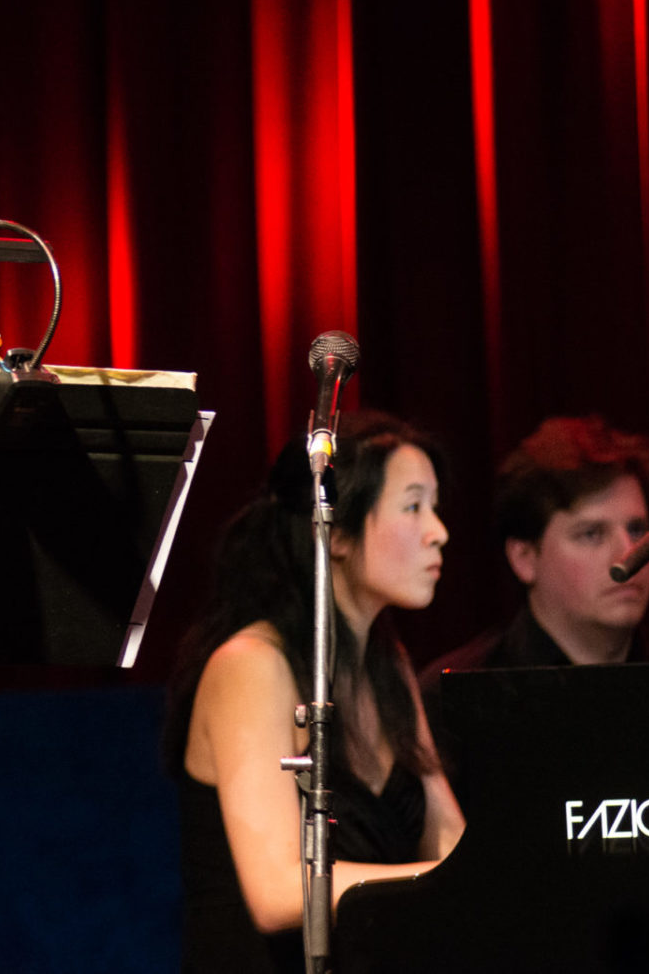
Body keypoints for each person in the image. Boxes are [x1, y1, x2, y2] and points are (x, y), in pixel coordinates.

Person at [166, 412, 466, 972]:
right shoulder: (252, 664)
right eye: (413, 506)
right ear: (340, 534)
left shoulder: (387, 663)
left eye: (435, 507)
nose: (439, 531)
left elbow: (449, 840)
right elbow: (279, 892)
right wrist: (467, 880)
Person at [417, 415, 649, 803]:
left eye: (637, 529)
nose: (629, 554)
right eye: (592, 534)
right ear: (524, 557)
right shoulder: (455, 699)